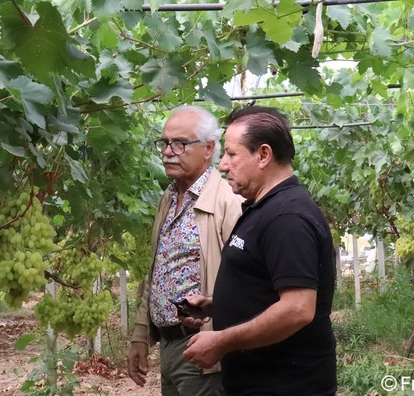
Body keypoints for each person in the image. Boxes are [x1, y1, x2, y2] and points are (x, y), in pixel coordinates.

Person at [183, 105, 337, 396]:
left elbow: (297, 309)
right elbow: (266, 287)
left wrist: (222, 341)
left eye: (231, 154)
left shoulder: (287, 217)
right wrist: (216, 305)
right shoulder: (265, 208)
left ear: (264, 155)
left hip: (286, 387)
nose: (223, 165)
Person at [128, 105, 242, 396]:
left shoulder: (228, 202)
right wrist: (141, 334)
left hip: (203, 348)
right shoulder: (168, 198)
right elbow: (157, 271)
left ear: (208, 148)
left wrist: (220, 339)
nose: (168, 151)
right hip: (168, 346)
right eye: (165, 143)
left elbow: (246, 282)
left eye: (179, 143)